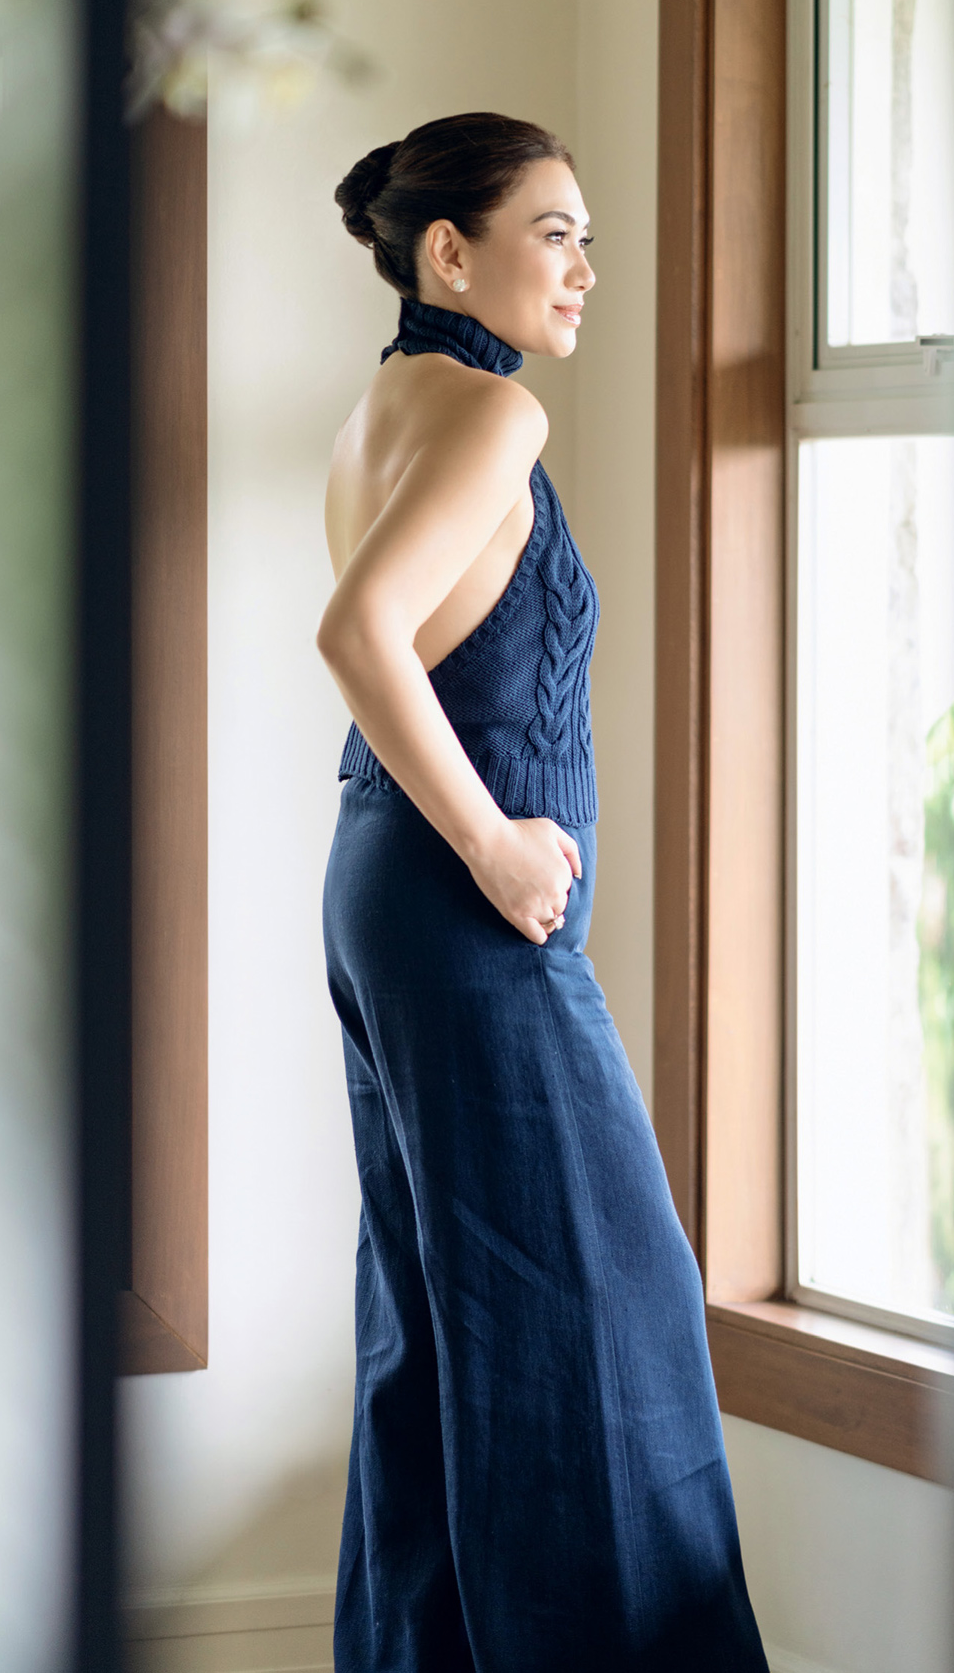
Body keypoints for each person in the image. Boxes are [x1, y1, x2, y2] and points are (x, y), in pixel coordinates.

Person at [317, 113, 769, 1673]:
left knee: (442, 1334)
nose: (583, 268)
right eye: (555, 232)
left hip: (379, 888)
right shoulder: (492, 417)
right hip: (456, 910)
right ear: (451, 251)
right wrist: (501, 846)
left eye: (589, 237)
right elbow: (360, 632)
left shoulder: (391, 401)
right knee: (606, 1324)